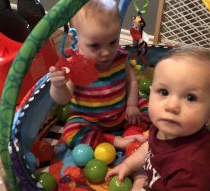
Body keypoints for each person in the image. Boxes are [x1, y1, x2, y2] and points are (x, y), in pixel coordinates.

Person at [106, 46, 210, 191]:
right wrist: (127, 165)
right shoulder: (165, 126)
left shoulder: (192, 165)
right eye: (164, 92)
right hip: (161, 184)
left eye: (190, 97)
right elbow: (150, 147)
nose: (171, 106)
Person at [49, 0, 150, 150]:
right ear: (74, 40)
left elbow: (131, 82)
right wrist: (58, 86)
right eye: (95, 46)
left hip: (122, 114)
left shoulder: (120, 58)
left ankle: (132, 133)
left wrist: (132, 105)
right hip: (88, 121)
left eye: (113, 42)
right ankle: (114, 141)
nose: (106, 52)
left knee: (149, 106)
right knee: (70, 133)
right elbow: (64, 99)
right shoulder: (74, 66)